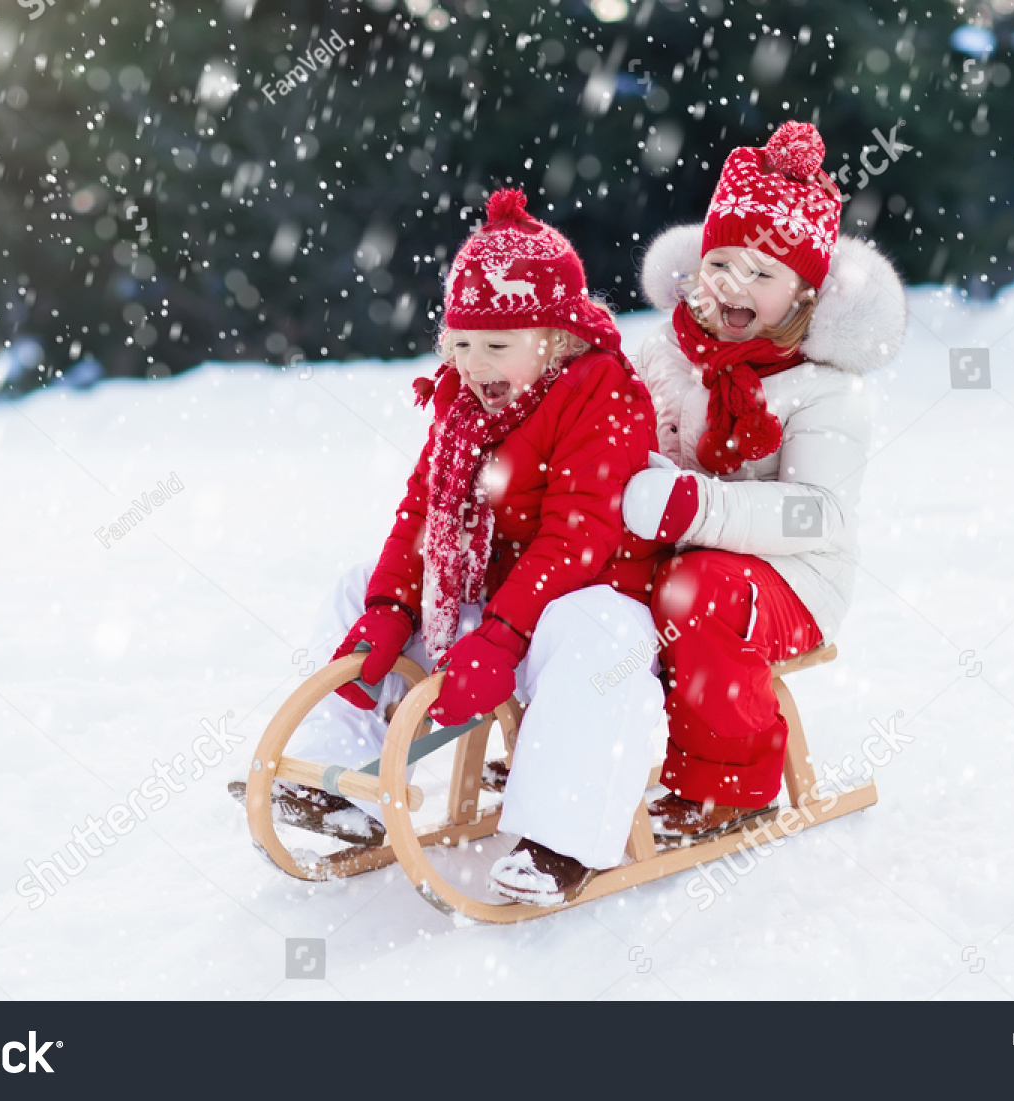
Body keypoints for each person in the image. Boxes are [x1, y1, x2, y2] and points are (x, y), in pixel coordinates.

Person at [247, 188, 668, 905]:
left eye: (496, 346)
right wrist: (389, 605)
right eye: (460, 343)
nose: (472, 364)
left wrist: (504, 635)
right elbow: (421, 515)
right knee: (360, 584)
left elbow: (580, 535)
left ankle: (559, 839)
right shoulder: (464, 404)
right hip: (492, 613)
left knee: (600, 633)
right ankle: (335, 780)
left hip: (580, 605)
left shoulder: (601, 392)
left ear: (557, 337)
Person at [621, 120, 907, 838]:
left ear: (805, 294)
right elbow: (635, 439)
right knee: (588, 575)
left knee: (700, 590)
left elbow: (817, 514)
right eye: (723, 262)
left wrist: (693, 504)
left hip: (794, 579)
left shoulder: (825, 389)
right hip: (682, 546)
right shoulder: (668, 351)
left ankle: (728, 784)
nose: (734, 285)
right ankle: (578, 740)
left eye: (763, 273)